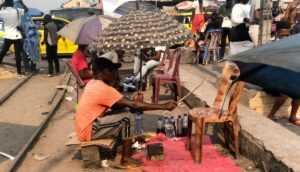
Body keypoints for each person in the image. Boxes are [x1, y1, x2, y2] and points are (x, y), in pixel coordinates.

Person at [75, 56, 177, 142]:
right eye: (114, 71)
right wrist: (164, 106)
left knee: (124, 112)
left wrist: (130, 102)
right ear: (106, 72)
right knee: (127, 118)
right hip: (89, 130)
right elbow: (134, 105)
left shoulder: (93, 83)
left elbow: (118, 106)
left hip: (85, 127)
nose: (116, 74)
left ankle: (123, 143)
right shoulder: (102, 88)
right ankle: (125, 157)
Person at [0, 0, 24, 76]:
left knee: (3, 52)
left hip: (8, 35)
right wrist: (21, 3)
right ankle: (19, 72)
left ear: (6, 3)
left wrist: (2, 4)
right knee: (18, 55)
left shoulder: (3, 12)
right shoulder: (17, 10)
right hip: (17, 35)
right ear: (12, 3)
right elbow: (26, 10)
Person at [21, 8, 40, 73]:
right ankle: (31, 69)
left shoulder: (24, 22)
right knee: (30, 56)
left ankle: (29, 69)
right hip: (29, 41)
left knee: (27, 56)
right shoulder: (29, 22)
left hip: (29, 41)